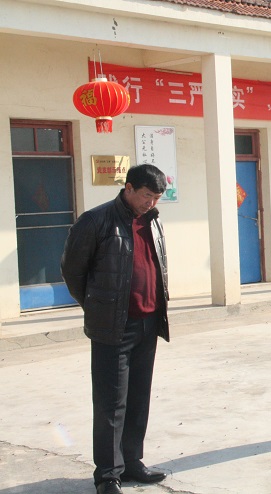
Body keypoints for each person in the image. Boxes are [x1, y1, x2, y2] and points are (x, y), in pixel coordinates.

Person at [61, 164, 170, 494]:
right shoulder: (96, 221)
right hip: (113, 327)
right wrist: (98, 307)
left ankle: (132, 460)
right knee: (111, 403)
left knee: (138, 398)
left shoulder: (153, 221)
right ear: (129, 188)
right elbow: (73, 271)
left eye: (157, 198)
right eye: (147, 196)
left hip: (148, 323)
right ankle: (108, 475)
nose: (151, 203)